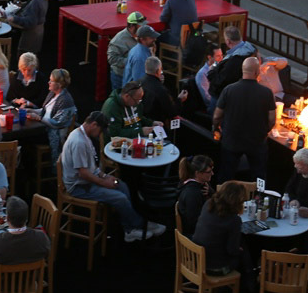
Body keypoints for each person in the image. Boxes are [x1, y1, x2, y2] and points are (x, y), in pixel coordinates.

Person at [60, 111, 164, 242]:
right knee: (120, 198)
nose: (100, 134)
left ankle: (129, 228)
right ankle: (138, 225)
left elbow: (91, 167)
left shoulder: (84, 136)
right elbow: (83, 173)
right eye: (100, 130)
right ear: (94, 124)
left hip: (87, 180)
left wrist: (104, 176)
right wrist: (104, 183)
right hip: (79, 187)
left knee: (122, 186)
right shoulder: (79, 142)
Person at [213, 56, 276, 182]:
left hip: (231, 140)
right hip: (257, 141)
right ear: (257, 72)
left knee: (227, 173)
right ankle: (258, 197)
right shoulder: (267, 93)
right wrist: (265, 131)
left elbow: (217, 115)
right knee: (259, 176)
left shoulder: (229, 90)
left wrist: (216, 128)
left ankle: (223, 197)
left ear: (243, 71)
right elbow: (272, 119)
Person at [0, 194, 50, 287]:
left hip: (3, 287)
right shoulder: (41, 237)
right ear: (26, 218)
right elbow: (46, 256)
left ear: (7, 218)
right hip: (29, 284)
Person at [192, 181, 251, 280]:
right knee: (245, 255)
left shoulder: (208, 204)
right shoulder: (234, 220)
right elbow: (232, 250)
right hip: (215, 268)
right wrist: (238, 250)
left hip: (197, 260)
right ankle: (249, 286)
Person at [140, 56, 188, 123]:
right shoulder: (161, 90)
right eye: (161, 69)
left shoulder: (140, 82)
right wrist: (180, 99)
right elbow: (172, 111)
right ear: (158, 71)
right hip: (157, 125)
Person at [177, 155, 213, 237]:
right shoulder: (192, 194)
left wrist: (211, 192)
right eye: (209, 172)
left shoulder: (203, 184)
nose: (212, 173)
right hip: (197, 236)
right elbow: (193, 223)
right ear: (197, 173)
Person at [107, 12, 145, 90]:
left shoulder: (142, 35)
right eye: (140, 26)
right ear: (131, 26)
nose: (142, 28)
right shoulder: (118, 40)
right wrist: (131, 62)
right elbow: (112, 59)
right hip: (121, 77)